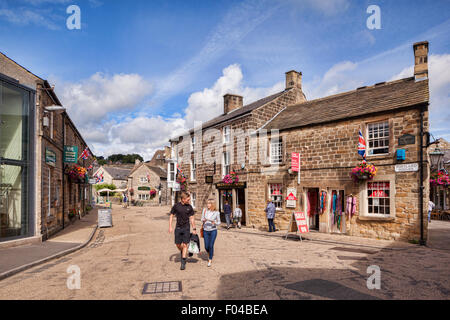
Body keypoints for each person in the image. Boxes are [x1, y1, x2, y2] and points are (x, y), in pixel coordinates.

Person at [169, 191, 197, 270]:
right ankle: (183, 251)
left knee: (185, 244)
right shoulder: (176, 206)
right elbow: (171, 215)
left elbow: (192, 218)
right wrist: (170, 226)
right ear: (183, 199)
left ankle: (183, 261)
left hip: (186, 228)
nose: (189, 201)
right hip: (178, 228)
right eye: (188, 199)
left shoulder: (190, 207)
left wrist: (194, 228)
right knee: (178, 244)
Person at [201, 199, 221, 267]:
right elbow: (201, 219)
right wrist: (204, 220)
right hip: (205, 230)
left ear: (212, 204)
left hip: (213, 230)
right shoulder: (205, 210)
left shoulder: (216, 212)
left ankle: (210, 259)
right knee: (206, 247)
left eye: (209, 204)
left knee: (211, 245)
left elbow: (219, 222)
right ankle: (210, 253)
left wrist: (214, 222)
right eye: (207, 203)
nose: (207, 205)